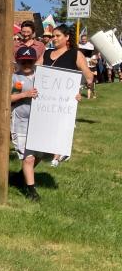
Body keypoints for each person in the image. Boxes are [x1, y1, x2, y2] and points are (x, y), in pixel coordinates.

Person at [43, 24, 94, 166]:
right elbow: (36, 69)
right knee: (49, 124)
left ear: (67, 37)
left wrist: (81, 89)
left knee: (61, 125)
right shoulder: (47, 53)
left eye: (57, 36)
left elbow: (88, 75)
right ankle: (47, 149)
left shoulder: (75, 54)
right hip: (47, 98)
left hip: (65, 99)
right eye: (53, 36)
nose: (54, 39)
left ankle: (57, 156)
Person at [10, 46, 46, 201]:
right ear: (17, 61)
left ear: (34, 62)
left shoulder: (44, 77)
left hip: (40, 123)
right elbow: (5, 98)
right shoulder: (13, 77)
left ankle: (19, 177)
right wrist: (24, 94)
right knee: (28, 157)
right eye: (23, 61)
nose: (26, 65)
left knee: (40, 155)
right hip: (21, 122)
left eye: (29, 62)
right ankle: (32, 191)